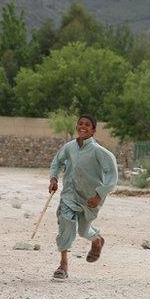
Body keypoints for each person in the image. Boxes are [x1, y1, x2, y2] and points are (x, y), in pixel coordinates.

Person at [48, 114, 117, 280]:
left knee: (84, 231)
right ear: (76, 127)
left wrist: (99, 196)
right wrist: (54, 178)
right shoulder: (69, 147)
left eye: (87, 125)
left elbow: (112, 175)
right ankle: (63, 264)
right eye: (80, 124)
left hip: (90, 199)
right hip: (69, 195)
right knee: (65, 220)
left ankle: (97, 240)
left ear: (93, 130)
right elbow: (57, 162)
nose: (83, 127)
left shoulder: (100, 152)